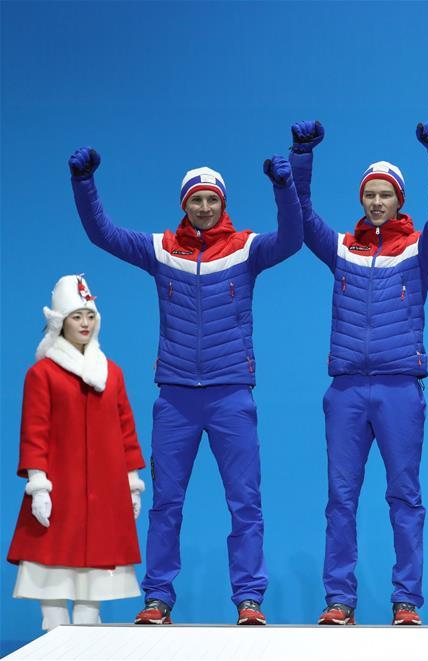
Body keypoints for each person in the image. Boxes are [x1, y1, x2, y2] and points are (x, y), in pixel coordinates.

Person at [68, 148, 304, 625]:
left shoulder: (245, 249)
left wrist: (286, 187)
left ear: (222, 204)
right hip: (175, 396)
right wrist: (84, 181)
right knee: (166, 504)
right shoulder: (160, 250)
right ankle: (157, 599)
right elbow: (102, 233)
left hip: (231, 392)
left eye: (211, 200)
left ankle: (249, 599)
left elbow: (294, 239)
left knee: (245, 502)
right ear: (184, 204)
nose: (203, 208)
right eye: (195, 200)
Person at [288, 119, 428, 626]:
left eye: (386, 195)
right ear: (363, 199)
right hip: (345, 391)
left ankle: (406, 600)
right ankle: (339, 600)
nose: (378, 202)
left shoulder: (418, 251)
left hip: (400, 388)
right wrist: (302, 157)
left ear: (399, 201)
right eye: (371, 194)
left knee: (405, 496)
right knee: (340, 499)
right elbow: (301, 217)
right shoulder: (340, 248)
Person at [8, 275, 146, 631]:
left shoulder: (111, 373)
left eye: (89, 315)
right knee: (49, 564)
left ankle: (87, 638)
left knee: (95, 569)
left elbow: (126, 430)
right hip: (61, 487)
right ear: (59, 321)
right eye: (76, 316)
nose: (84, 323)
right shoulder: (42, 374)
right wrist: (38, 485)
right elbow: (34, 432)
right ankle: (53, 636)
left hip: (103, 489)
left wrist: (132, 482)